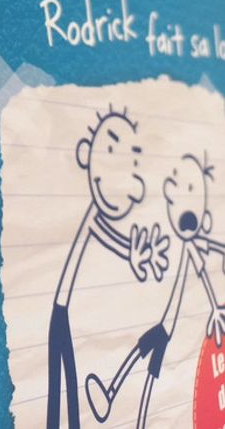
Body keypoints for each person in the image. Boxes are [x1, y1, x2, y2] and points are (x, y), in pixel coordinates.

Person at [47, 107, 169, 429]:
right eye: (111, 151)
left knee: (65, 382)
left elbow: (109, 237)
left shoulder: (96, 215)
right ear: (85, 153)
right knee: (62, 382)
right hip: (61, 313)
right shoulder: (93, 215)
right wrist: (131, 252)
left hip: (63, 312)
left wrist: (133, 253)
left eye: (131, 164)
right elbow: (107, 235)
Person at [85, 153, 225, 428]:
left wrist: (215, 309)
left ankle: (126, 407)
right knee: (145, 359)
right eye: (174, 198)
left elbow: (209, 267)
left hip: (172, 329)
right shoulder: (187, 248)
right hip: (168, 327)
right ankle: (112, 395)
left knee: (151, 374)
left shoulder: (196, 248)